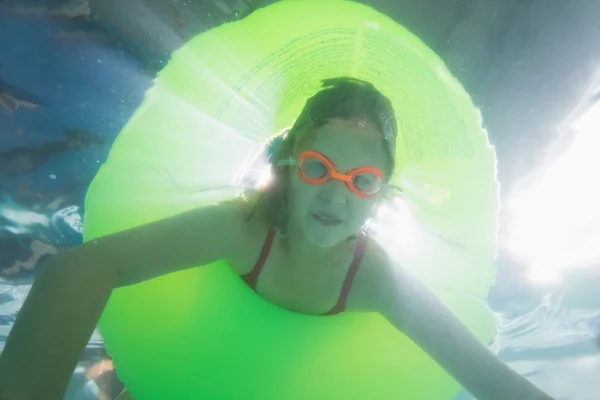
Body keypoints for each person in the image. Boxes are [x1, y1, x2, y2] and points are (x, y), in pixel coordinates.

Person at [0, 78, 556, 400]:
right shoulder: (243, 228)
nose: (336, 196)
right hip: (174, 369)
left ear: (379, 194)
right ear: (286, 169)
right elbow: (80, 269)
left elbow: (489, 378)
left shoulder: (371, 275)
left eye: (361, 181)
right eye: (318, 169)